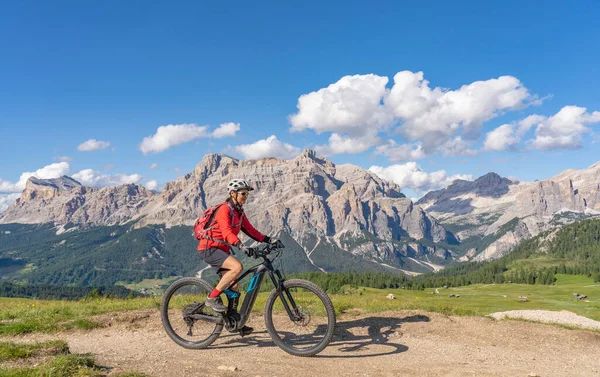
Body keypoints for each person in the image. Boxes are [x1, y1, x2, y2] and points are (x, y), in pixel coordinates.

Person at [197, 178, 282, 314]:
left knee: (234, 285)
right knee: (237, 267)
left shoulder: (239, 212)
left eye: (247, 194)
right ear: (232, 193)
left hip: (221, 249)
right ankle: (212, 298)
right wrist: (241, 245)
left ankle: (233, 320)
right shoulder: (224, 209)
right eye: (243, 193)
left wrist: (269, 240)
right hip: (209, 248)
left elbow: (250, 230)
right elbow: (226, 232)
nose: (246, 197)